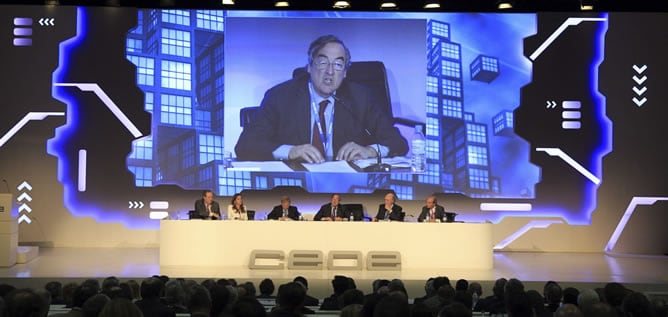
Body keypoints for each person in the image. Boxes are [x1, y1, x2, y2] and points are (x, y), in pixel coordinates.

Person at [235, 34, 408, 163]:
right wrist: (290, 151)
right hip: (297, 182)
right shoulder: (280, 96)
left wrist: (369, 151)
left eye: (338, 65)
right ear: (309, 66)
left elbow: (398, 143)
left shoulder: (361, 97)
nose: (330, 72)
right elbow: (245, 145)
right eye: (323, 62)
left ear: (345, 72)